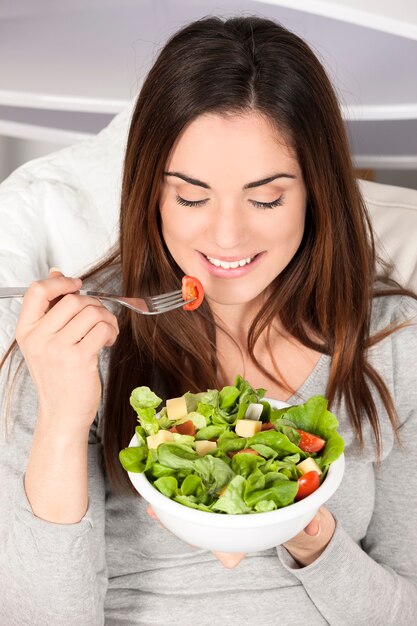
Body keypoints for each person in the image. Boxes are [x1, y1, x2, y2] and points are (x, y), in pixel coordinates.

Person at [1, 14, 416, 626]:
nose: (226, 235)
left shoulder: (392, 340)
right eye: (191, 197)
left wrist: (307, 530)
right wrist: (63, 420)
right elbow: (39, 617)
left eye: (266, 198)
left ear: (316, 192)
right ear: (151, 193)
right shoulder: (73, 344)